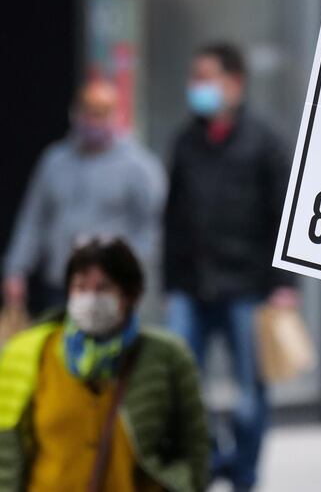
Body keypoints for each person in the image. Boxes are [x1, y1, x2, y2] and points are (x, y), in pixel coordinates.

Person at [164, 42, 296, 490]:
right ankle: (213, 458)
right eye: (193, 78)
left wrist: (283, 284)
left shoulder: (265, 141)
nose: (196, 87)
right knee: (179, 389)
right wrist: (169, 283)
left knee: (249, 399)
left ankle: (243, 475)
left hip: (248, 288)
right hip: (190, 287)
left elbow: (285, 215)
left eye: (205, 77)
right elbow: (173, 217)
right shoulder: (185, 141)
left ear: (235, 82)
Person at [0, 237, 208, 491]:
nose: (90, 299)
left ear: (130, 295)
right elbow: (7, 450)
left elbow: (195, 445)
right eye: (81, 288)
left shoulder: (167, 357)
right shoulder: (29, 353)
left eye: (103, 288)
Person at [3, 79, 166, 313]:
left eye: (100, 114)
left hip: (110, 288)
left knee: (109, 350)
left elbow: (153, 226)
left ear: (115, 116)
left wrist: (127, 267)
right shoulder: (55, 161)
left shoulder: (139, 167)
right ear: (76, 113)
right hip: (61, 284)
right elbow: (33, 219)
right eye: (88, 112)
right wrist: (16, 269)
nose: (93, 121)